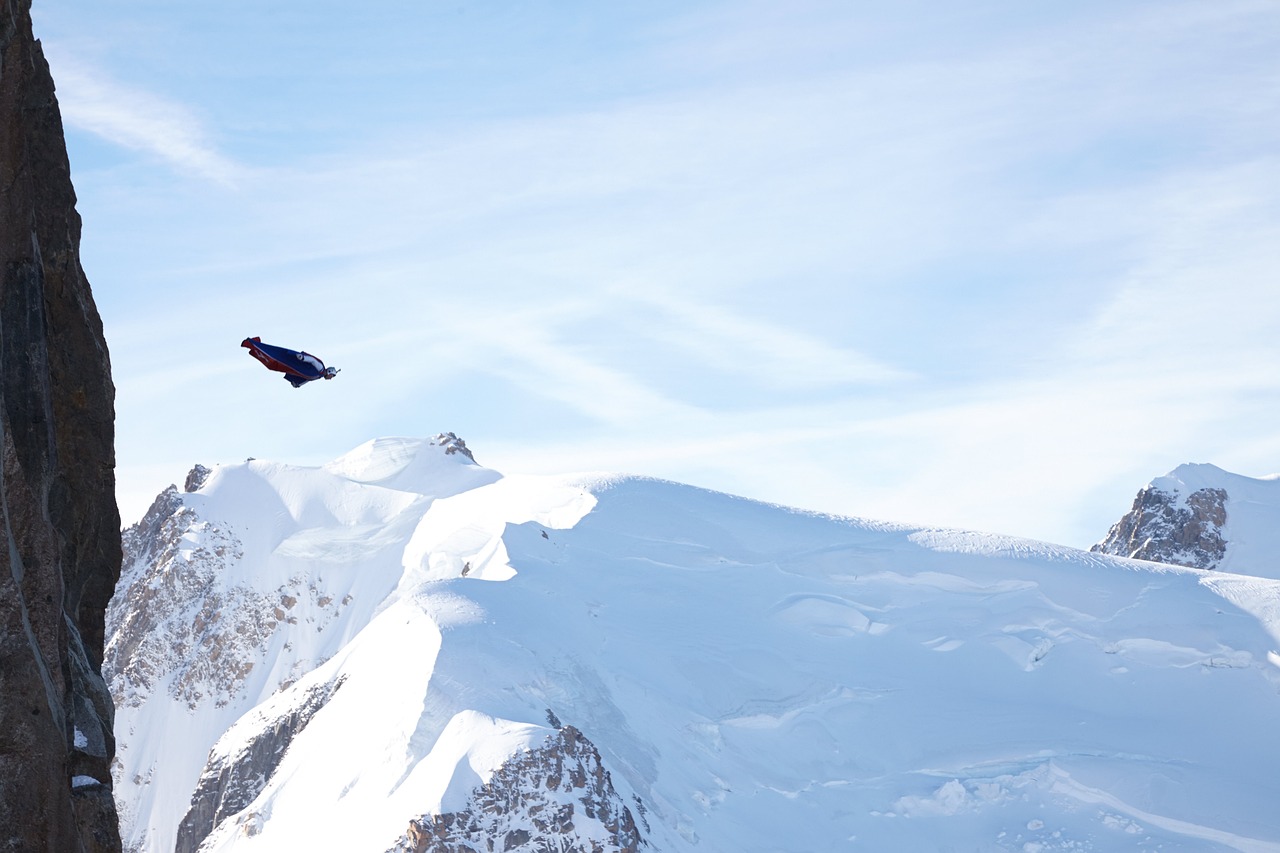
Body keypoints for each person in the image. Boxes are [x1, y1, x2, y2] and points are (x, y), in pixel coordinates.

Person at [241, 337, 339, 387]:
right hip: (292, 362)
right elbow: (313, 360)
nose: (331, 378)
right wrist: (303, 358)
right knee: (274, 355)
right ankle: (251, 343)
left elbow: (307, 379)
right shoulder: (320, 368)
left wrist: (298, 384)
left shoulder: (317, 376)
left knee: (271, 365)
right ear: (330, 372)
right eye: (332, 376)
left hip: (290, 368)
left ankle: (254, 349)